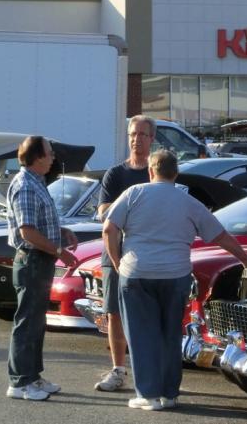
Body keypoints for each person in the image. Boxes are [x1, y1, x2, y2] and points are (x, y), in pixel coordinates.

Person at [103, 149, 247, 411]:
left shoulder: (133, 193)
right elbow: (220, 235)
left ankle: (148, 394)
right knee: (171, 334)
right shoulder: (189, 202)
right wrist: (246, 260)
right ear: (176, 174)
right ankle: (170, 393)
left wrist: (117, 262)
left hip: (137, 273)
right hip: (175, 274)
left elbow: (109, 228)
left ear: (151, 171)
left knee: (141, 335)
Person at [6, 136, 78, 401]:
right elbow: (27, 232)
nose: (53, 157)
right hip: (32, 260)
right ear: (37, 157)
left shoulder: (36, 181)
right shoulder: (26, 185)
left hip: (39, 260)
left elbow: (37, 224)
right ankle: (20, 382)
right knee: (27, 322)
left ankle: (32, 376)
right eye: (49, 153)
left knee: (36, 321)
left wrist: (61, 231)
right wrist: (59, 251)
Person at [94, 115, 155, 392]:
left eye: (142, 134)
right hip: (114, 254)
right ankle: (118, 370)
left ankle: (149, 371)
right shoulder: (115, 174)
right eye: (132, 134)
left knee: (146, 314)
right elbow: (103, 212)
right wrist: (131, 206)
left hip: (148, 256)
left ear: (152, 138)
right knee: (114, 314)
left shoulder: (155, 174)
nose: (136, 139)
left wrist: (125, 213)